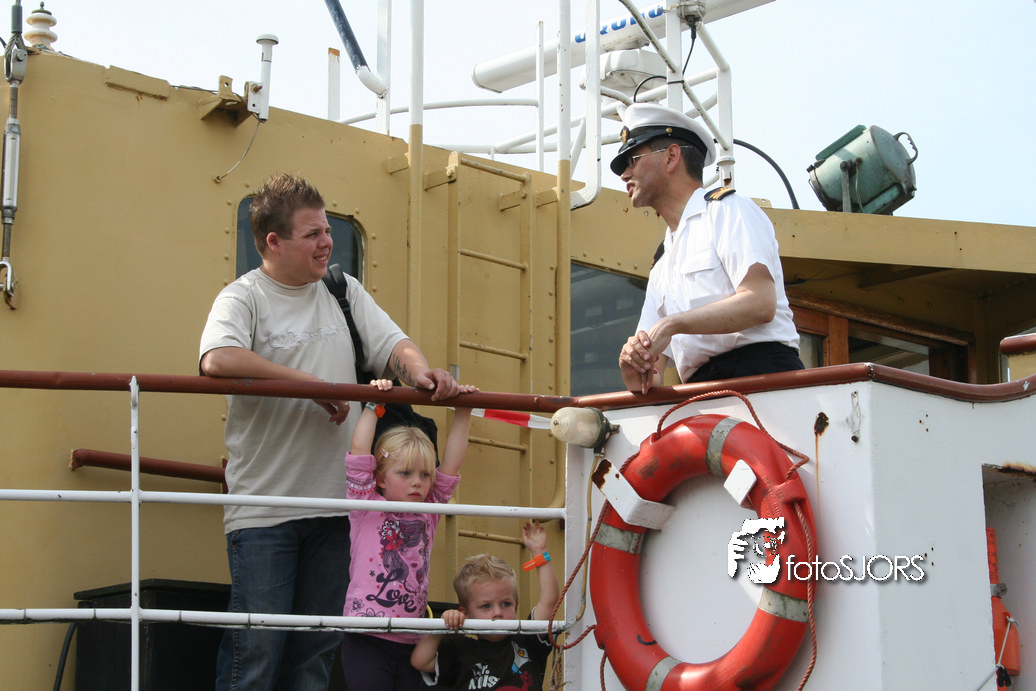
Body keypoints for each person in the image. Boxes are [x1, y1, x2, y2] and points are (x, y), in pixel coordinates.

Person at [199, 172, 462, 691]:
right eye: (312, 233)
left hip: (339, 509)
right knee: (255, 655)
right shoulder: (243, 297)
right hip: (265, 509)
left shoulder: (342, 290)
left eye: (328, 230)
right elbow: (217, 358)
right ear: (274, 242)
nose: (327, 242)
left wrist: (421, 373)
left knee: (312, 658)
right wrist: (311, 386)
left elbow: (393, 344)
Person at [612, 103, 803, 394]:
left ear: (671, 157)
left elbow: (760, 302)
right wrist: (633, 364)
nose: (624, 174)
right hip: (700, 393)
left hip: (764, 380)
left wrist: (672, 324)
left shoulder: (728, 210)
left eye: (632, 159)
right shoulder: (662, 262)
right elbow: (651, 377)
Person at [341, 378, 478, 691]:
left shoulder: (429, 510)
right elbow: (359, 452)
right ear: (380, 478)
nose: (417, 481)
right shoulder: (365, 504)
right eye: (405, 473)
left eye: (425, 474)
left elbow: (452, 464)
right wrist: (374, 405)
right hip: (366, 635)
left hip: (411, 637)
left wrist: (463, 412)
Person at [410, 521, 560, 691]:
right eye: (485, 606)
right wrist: (443, 626)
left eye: (506, 604)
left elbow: (549, 600)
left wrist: (539, 552)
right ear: (466, 613)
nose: (497, 612)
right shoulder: (459, 648)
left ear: (516, 607)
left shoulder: (528, 640)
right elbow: (420, 661)